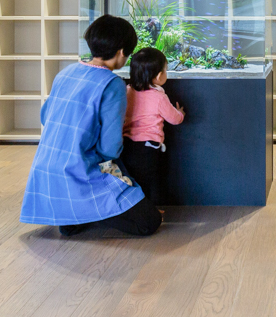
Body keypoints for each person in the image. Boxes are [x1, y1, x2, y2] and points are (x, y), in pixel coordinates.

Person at [19, 15, 162, 237]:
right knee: (149, 221)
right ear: (121, 52)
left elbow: (45, 116)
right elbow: (109, 148)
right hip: (80, 172)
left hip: (45, 173)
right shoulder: (112, 84)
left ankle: (72, 215)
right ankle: (92, 210)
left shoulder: (65, 73)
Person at [121, 47, 185, 208]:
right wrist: (180, 113)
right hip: (148, 148)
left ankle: (134, 210)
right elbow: (174, 119)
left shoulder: (127, 91)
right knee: (152, 180)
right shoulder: (159, 97)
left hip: (126, 146)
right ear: (158, 76)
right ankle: (153, 212)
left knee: (133, 180)